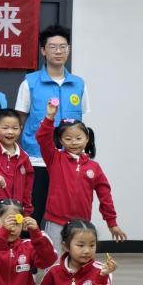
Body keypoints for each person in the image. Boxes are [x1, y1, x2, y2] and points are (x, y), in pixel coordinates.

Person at [15, 25, 89, 222]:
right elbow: (19, 121)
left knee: (67, 212)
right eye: (53, 47)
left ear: (69, 50)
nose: (58, 51)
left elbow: (82, 119)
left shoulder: (79, 84)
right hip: (37, 157)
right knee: (34, 211)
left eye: (63, 47)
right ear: (43, 51)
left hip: (69, 159)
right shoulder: (29, 83)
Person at [35, 102, 126, 240]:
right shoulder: (55, 159)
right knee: (53, 254)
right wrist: (49, 117)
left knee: (80, 253)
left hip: (82, 224)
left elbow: (105, 196)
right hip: (55, 222)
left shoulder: (94, 167)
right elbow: (43, 138)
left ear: (87, 138)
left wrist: (111, 223)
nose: (74, 142)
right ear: (61, 140)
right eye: (68, 139)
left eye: (78, 138)